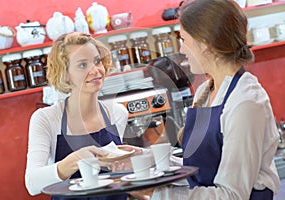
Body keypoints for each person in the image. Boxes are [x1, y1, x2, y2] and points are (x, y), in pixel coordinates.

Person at [150, 0, 280, 199]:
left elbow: (231, 195)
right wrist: (145, 162)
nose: (182, 50)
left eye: (184, 40)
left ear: (206, 44)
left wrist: (160, 194)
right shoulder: (206, 91)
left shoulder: (245, 102)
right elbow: (199, 169)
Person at [25, 32, 129, 200]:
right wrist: (74, 161)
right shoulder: (46, 119)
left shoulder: (117, 114)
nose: (95, 70)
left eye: (97, 61)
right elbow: (32, 184)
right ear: (65, 73)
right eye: (82, 65)